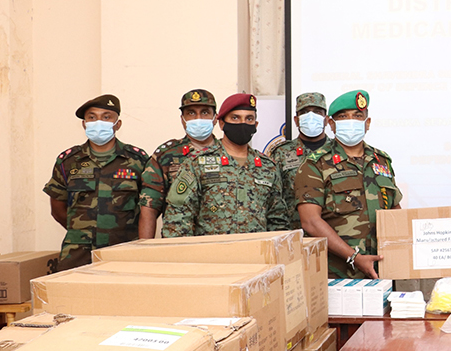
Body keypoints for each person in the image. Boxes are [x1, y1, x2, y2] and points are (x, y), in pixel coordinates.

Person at [294, 89, 401, 279]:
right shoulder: (314, 165)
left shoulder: (381, 161)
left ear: (367, 123)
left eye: (357, 116)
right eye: (343, 117)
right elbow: (310, 221)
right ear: (331, 125)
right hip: (336, 275)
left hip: (382, 269)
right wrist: (354, 257)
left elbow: (395, 209)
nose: (351, 121)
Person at [42, 94, 149, 272]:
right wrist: (82, 231)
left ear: (118, 124)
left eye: (106, 117)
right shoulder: (68, 161)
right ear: (84, 123)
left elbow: (149, 207)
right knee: (71, 297)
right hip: (78, 253)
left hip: (124, 250)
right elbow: (58, 208)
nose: (98, 122)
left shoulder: (137, 160)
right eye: (92, 117)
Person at [162, 92, 287, 237]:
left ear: (256, 125)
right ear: (221, 123)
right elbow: (177, 220)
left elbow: (278, 222)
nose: (242, 123)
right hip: (212, 256)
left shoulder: (268, 167)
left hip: (256, 256)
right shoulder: (197, 164)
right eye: (235, 118)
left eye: (249, 119)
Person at [138, 89, 219, 239]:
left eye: (205, 112)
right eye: (191, 113)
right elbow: (149, 206)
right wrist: (145, 250)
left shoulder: (227, 153)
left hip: (220, 241)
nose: (198, 118)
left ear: (215, 118)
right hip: (179, 242)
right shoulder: (165, 155)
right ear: (182, 119)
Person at [266, 92, 333, 230]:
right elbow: (274, 199)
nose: (311, 116)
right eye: (304, 112)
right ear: (296, 120)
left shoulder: (338, 151)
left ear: (326, 120)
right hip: (295, 235)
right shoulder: (281, 153)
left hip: (336, 236)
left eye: (317, 112)